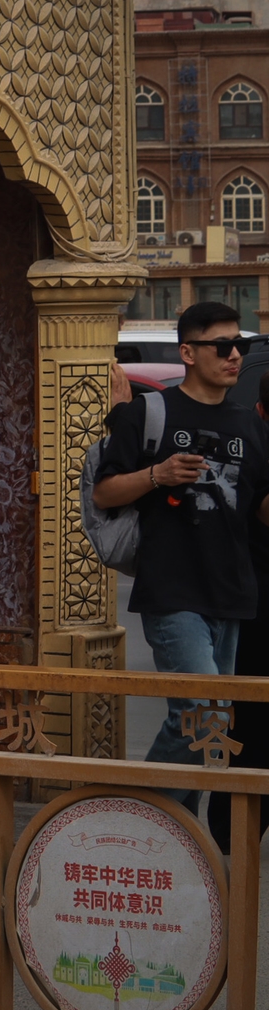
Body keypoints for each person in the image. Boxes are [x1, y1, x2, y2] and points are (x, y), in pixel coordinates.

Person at [93, 301, 269, 815]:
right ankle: (140, 822)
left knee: (210, 725)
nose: (234, 355)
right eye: (223, 345)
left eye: (240, 345)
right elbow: (105, 492)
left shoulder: (251, 425)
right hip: (172, 590)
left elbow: (259, 508)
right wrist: (159, 475)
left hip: (232, 592)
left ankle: (174, 836)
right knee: (202, 712)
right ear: (188, 353)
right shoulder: (149, 414)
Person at [210, 365, 269, 853]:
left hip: (248, 601)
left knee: (248, 717)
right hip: (255, 604)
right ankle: (233, 828)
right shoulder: (254, 446)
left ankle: (232, 828)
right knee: (250, 715)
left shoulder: (248, 437)